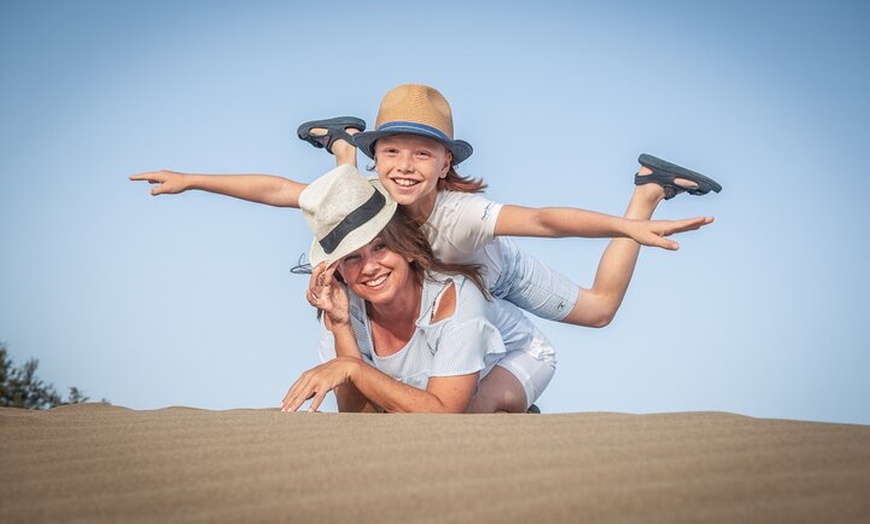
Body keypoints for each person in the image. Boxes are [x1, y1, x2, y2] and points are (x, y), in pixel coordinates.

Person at [130, 84, 721, 331]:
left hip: (494, 270)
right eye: (389, 151)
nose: (405, 165)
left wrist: (626, 225)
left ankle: (648, 187)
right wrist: (192, 179)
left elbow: (543, 221)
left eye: (422, 153)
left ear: (446, 164)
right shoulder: (371, 189)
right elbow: (281, 191)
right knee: (342, 197)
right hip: (430, 278)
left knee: (598, 312)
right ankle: (344, 140)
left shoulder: (463, 215)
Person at [280, 165, 556, 413]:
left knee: (463, 416)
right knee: (397, 412)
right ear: (338, 268)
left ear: (407, 249)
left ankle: (509, 417)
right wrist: (341, 326)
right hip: (427, 382)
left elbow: (445, 412)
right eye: (352, 257)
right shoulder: (341, 308)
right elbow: (357, 417)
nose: (370, 267)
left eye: (380, 246)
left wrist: (354, 368)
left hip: (513, 354)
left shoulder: (456, 297)